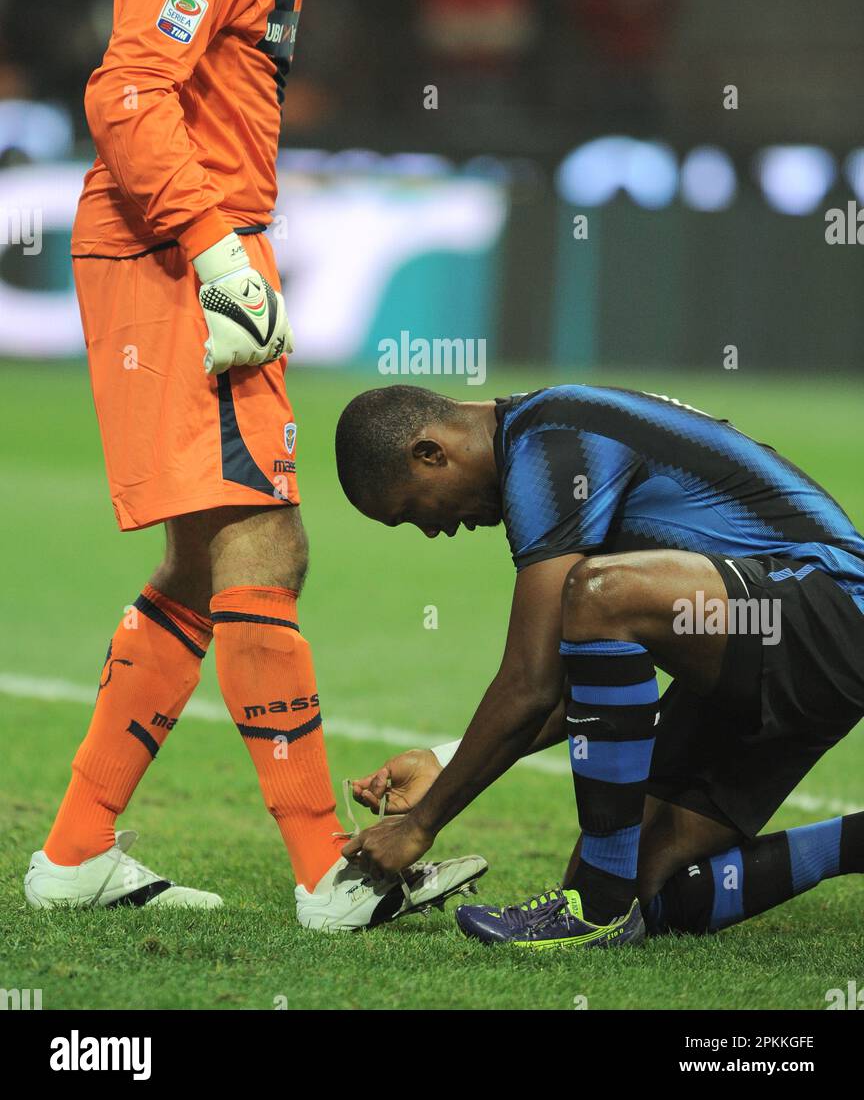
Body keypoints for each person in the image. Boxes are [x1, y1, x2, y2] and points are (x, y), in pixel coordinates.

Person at [24, 0, 487, 931]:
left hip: (197, 249)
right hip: (176, 256)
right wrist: (214, 243)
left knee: (198, 566)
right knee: (265, 552)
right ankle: (333, 874)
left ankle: (74, 854)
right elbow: (126, 87)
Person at [335, 383, 864, 948]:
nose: (433, 531)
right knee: (654, 893)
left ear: (430, 453)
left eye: (413, 511)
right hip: (768, 656)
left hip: (828, 607)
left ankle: (597, 910)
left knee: (597, 593)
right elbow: (588, 684)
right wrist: (444, 762)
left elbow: (531, 684)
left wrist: (421, 825)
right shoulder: (543, 443)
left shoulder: (551, 442)